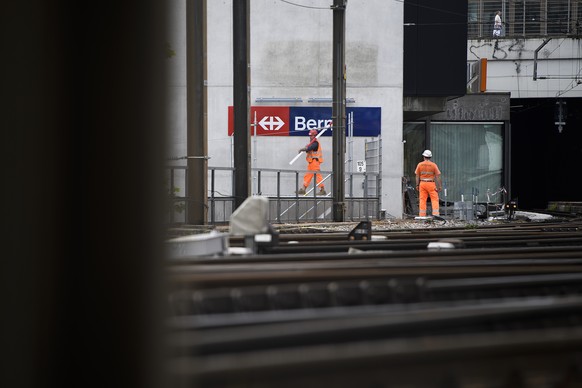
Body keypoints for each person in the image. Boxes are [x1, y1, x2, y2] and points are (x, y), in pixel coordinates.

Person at [297, 129, 326, 195]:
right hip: (311, 163)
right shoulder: (312, 143)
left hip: (315, 162)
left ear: (315, 136)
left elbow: (310, 148)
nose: (310, 137)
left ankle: (322, 189)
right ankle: (303, 189)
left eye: (312, 136)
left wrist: (303, 149)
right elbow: (309, 149)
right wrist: (306, 147)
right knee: (307, 176)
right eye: (310, 136)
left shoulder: (315, 143)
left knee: (318, 176)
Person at [415, 149, 442, 217]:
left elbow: (417, 176)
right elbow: (438, 177)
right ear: (430, 157)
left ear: (424, 156)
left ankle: (422, 215)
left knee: (422, 200)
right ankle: (436, 215)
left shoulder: (420, 165)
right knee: (434, 199)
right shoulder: (433, 165)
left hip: (422, 184)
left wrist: (417, 185)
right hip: (431, 184)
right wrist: (439, 186)